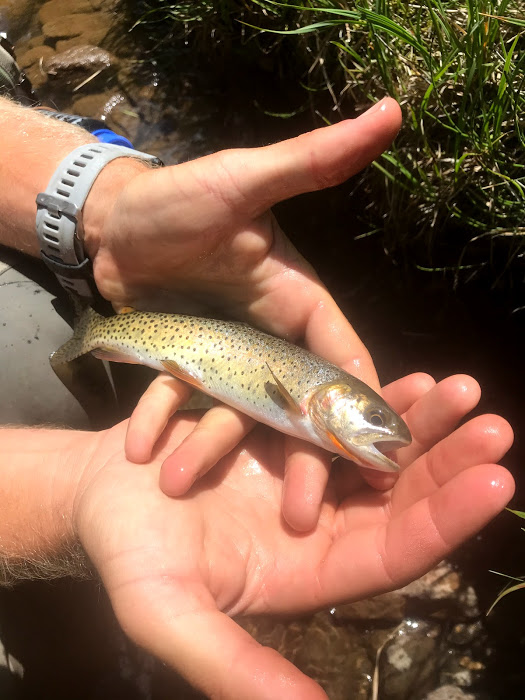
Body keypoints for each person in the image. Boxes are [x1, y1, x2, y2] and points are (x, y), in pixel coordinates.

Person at [0, 94, 515, 699]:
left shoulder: (313, 408)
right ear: (330, 402)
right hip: (153, 337)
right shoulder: (305, 404)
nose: (381, 428)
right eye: (374, 417)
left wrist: (100, 204)